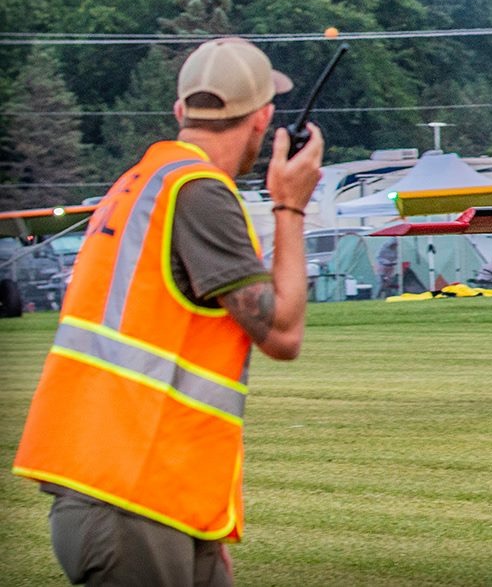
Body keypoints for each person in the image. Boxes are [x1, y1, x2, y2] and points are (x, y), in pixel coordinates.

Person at [13, 37, 324, 587]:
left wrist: (200, 532)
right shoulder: (199, 192)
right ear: (264, 119)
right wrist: (290, 204)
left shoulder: (141, 183)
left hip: (143, 499)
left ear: (181, 111)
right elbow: (282, 332)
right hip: (132, 499)